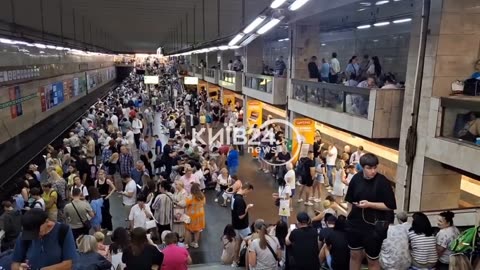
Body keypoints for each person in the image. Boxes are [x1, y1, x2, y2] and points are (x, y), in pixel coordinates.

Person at [344, 153, 396, 270]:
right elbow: (350, 201)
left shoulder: (382, 182)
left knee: (372, 259)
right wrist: (348, 217)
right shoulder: (356, 179)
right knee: (354, 255)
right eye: (369, 168)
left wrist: (369, 204)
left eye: (375, 168)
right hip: (355, 223)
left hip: (373, 227)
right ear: (362, 167)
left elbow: (390, 206)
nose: (373, 171)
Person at [11, 209, 77, 270]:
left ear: (47, 222)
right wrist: (20, 268)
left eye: (37, 232)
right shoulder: (24, 235)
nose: (34, 236)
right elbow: (15, 264)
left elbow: (68, 264)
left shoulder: (63, 231)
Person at [231, 183, 255, 267]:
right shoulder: (240, 200)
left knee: (238, 242)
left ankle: (235, 261)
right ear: (246, 189)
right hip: (242, 226)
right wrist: (247, 208)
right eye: (248, 192)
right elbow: (241, 216)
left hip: (236, 224)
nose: (247, 194)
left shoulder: (234, 196)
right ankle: (249, 262)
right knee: (250, 242)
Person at [185, 183, 206, 248]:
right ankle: (196, 243)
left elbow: (185, 204)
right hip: (200, 215)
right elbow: (204, 203)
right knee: (198, 229)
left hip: (191, 215)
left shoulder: (191, 197)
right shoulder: (202, 196)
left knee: (188, 229)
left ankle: (186, 244)